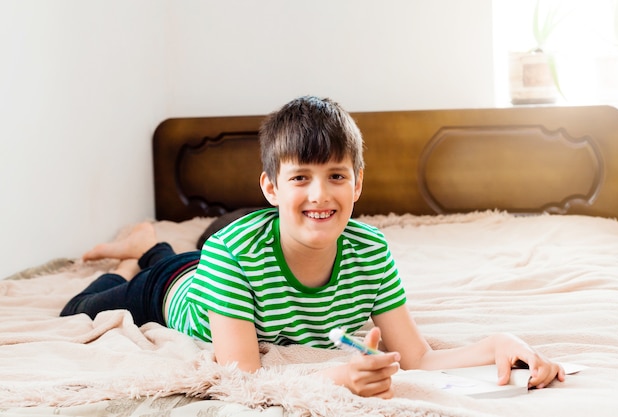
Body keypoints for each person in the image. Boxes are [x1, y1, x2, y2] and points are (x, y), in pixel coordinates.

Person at [61, 95, 565, 399]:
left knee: (177, 254)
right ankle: (136, 258)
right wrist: (340, 376)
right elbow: (241, 376)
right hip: (172, 291)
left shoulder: (371, 251)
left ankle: (149, 242)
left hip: (214, 269)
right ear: (271, 188)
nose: (320, 194)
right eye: (301, 177)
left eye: (336, 176)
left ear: (358, 184)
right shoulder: (233, 252)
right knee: (81, 307)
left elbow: (415, 357)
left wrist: (498, 343)